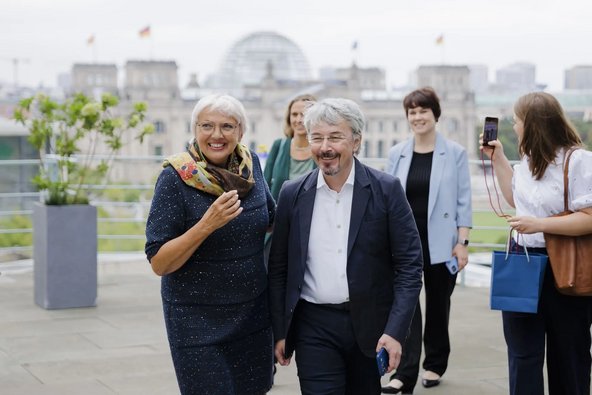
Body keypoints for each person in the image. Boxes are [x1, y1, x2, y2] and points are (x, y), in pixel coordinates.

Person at [268, 98, 423, 394]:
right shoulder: (291, 194)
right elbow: (278, 268)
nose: (325, 147)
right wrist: (280, 331)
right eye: (317, 138)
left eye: (335, 137)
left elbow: (409, 266)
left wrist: (395, 332)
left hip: (370, 328)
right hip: (313, 326)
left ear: (356, 142)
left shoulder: (386, 190)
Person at [145, 94, 275, 395]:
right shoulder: (175, 178)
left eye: (227, 126)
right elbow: (159, 263)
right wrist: (207, 225)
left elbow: (271, 216)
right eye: (207, 126)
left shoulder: (251, 164)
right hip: (196, 321)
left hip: (252, 315)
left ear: (241, 131)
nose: (217, 135)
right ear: (195, 130)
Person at [481, 91, 592, 395]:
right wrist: (499, 158)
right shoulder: (528, 160)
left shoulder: (579, 160)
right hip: (521, 260)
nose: (514, 127)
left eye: (516, 121)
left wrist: (541, 224)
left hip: (565, 266)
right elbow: (514, 199)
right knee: (522, 355)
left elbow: (589, 217)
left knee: (569, 355)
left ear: (532, 124)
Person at [382, 87, 472, 394]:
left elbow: (463, 201)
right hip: (404, 243)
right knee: (405, 308)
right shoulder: (397, 154)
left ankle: (434, 364)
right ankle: (403, 374)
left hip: (442, 243)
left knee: (437, 307)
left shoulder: (456, 153)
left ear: (435, 114)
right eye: (412, 112)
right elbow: (387, 200)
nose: (417, 117)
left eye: (423, 111)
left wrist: (463, 242)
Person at [264, 93, 317, 202]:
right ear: (289, 118)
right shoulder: (278, 146)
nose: (299, 120)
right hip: (280, 215)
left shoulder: (321, 149)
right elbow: (264, 187)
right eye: (294, 114)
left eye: (304, 114)